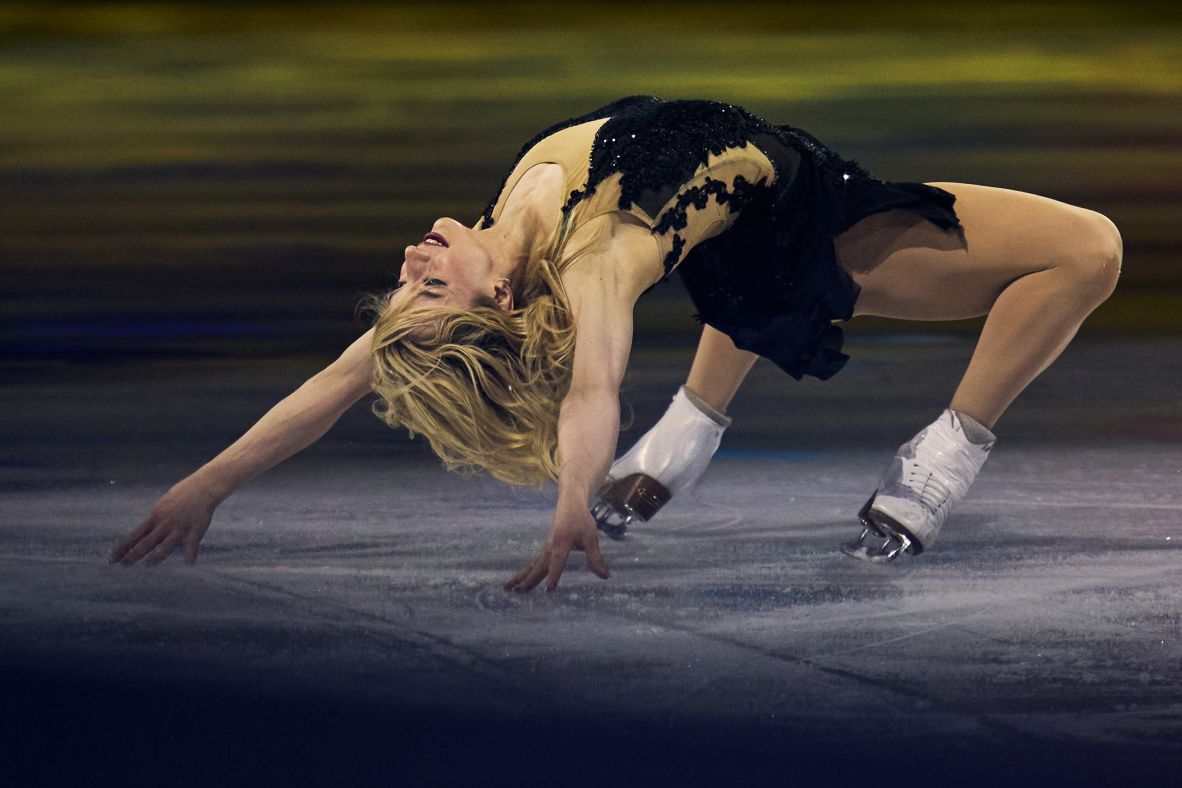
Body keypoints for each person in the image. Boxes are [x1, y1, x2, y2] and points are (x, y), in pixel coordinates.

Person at [110, 96, 1122, 587]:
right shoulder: (595, 257)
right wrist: (566, 502)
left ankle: (687, 434)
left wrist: (204, 483)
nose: (413, 255)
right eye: (428, 282)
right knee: (1090, 250)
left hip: (739, 226)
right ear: (500, 299)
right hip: (819, 225)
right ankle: (944, 454)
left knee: (726, 261)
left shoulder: (509, 230)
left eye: (409, 280)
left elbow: (335, 381)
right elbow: (592, 385)